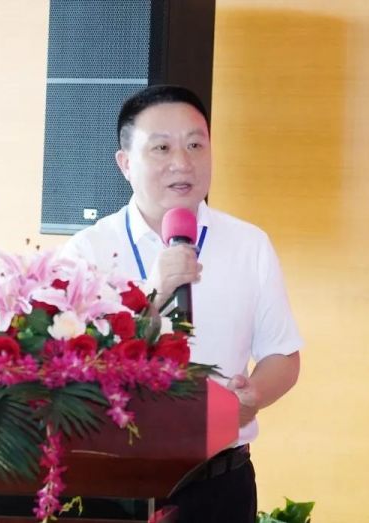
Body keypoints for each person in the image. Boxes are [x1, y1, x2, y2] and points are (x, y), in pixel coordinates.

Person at [60, 85, 302, 523]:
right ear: (125, 163)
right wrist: (154, 291)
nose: (182, 162)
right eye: (162, 148)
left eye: (195, 145)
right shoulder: (85, 252)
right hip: (111, 484)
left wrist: (252, 395)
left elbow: (282, 355)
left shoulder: (248, 244)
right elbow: (71, 368)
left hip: (219, 485)